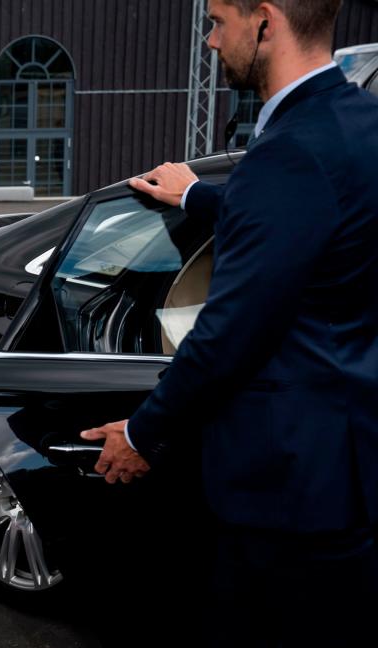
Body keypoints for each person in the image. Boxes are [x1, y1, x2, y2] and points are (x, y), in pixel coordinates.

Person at [81, 1, 378, 645]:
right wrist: (198, 195)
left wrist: (140, 433)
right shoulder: (359, 123)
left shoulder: (288, 151)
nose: (211, 41)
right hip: (351, 461)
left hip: (288, 491)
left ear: (265, 22)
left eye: (218, 21)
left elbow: (231, 331)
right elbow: (318, 228)